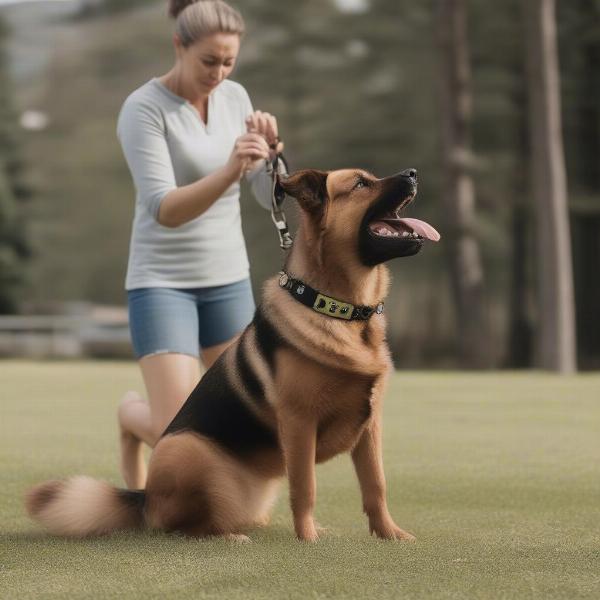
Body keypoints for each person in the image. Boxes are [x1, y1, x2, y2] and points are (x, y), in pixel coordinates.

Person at [116, 0, 284, 489]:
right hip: (161, 284)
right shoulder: (143, 109)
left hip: (226, 278)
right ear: (179, 45)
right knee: (179, 435)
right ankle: (131, 415)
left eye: (229, 61)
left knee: (252, 419)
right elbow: (165, 209)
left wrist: (271, 159)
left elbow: (260, 193)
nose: (219, 72)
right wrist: (230, 168)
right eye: (209, 61)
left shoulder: (235, 98)